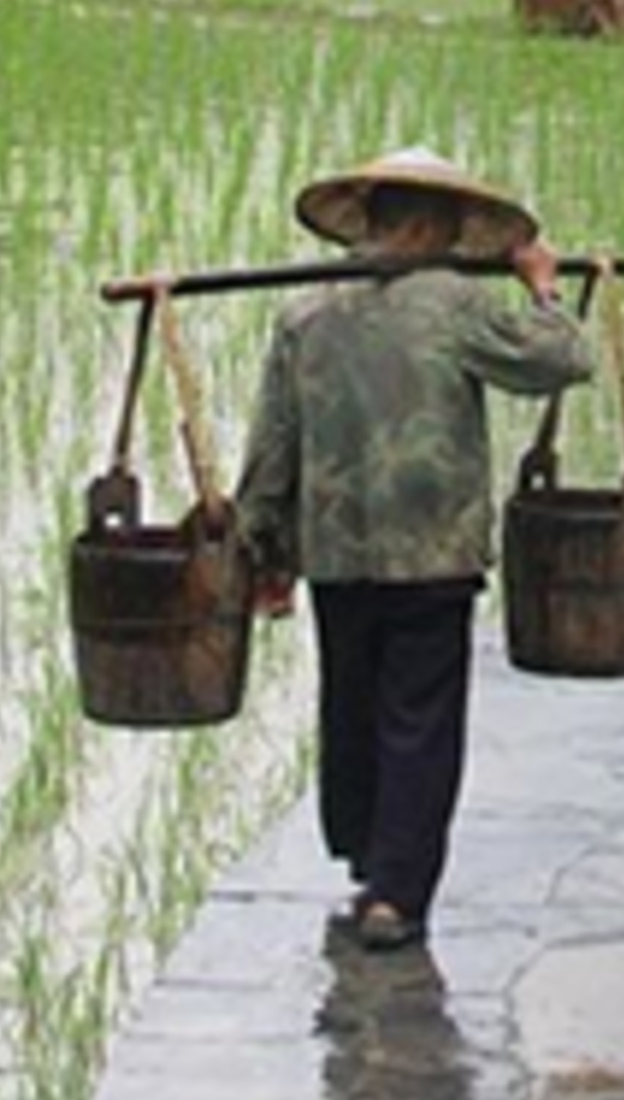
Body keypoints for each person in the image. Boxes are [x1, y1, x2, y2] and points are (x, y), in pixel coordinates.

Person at [235, 139, 593, 951]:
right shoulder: (457, 304)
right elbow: (565, 358)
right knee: (418, 719)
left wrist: (266, 548)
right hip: (432, 553)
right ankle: (396, 891)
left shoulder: (305, 312)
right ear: (437, 227)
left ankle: (368, 858)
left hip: (338, 553)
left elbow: (272, 448)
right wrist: (544, 290)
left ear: (373, 221)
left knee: (352, 704)